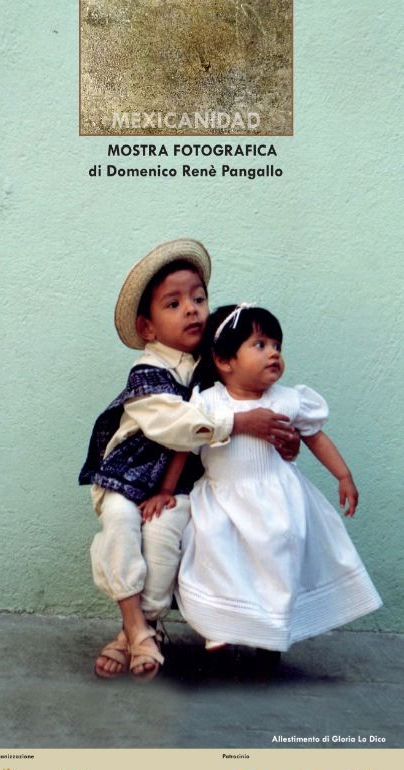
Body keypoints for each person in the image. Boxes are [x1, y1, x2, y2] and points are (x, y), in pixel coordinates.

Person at [79, 245, 299, 681]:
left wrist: (281, 438)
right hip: (127, 473)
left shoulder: (213, 365)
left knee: (164, 538)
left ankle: (140, 630)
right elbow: (176, 423)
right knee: (121, 523)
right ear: (147, 326)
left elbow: (250, 392)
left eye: (199, 299)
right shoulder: (147, 371)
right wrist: (238, 422)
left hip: (177, 482)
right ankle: (136, 626)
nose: (192, 311)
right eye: (174, 304)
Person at [170, 304, 382, 651]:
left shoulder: (289, 400)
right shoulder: (209, 403)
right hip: (224, 499)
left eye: (277, 346)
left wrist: (343, 475)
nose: (273, 354)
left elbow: (315, 437)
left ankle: (272, 634)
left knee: (277, 560)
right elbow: (184, 444)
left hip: (279, 499)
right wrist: (166, 488)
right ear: (225, 361)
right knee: (216, 550)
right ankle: (222, 624)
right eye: (260, 345)